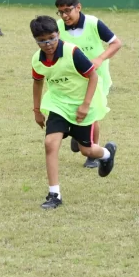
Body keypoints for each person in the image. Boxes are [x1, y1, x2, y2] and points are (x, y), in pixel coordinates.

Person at [31, 15, 117, 209]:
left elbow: (93, 77)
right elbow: (37, 82)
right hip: (58, 105)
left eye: (52, 38)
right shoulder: (37, 59)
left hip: (81, 105)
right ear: (35, 40)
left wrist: (85, 105)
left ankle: (106, 154)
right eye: (42, 41)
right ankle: (54, 194)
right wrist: (36, 110)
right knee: (50, 144)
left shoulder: (72, 52)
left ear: (58, 34)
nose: (48, 44)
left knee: (86, 150)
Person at [55, 0, 122, 168]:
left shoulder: (93, 23)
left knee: (92, 116)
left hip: (96, 79)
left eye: (68, 10)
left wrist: (100, 58)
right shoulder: (58, 27)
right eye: (61, 12)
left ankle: (92, 153)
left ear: (78, 7)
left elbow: (116, 43)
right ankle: (79, 136)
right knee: (71, 110)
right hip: (72, 80)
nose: (64, 16)